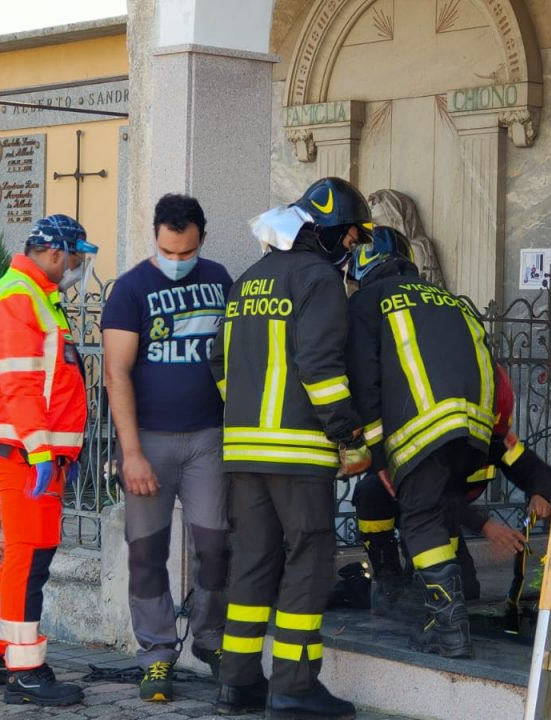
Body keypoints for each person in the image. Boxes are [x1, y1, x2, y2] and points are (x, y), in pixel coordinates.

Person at [209, 177, 372, 720]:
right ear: (327, 233)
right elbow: (322, 369)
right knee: (309, 561)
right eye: (350, 238)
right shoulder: (318, 280)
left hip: (244, 452)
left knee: (252, 561)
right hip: (298, 454)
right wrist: (349, 436)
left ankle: (237, 682)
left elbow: (219, 362)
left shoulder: (247, 281)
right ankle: (295, 687)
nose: (352, 249)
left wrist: (248, 417)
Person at [101, 194, 233, 703]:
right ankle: (156, 656)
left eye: (186, 252)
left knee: (216, 548)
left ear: (201, 239)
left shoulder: (220, 280)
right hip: (150, 441)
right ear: (154, 237)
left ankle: (210, 640)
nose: (177, 262)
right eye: (167, 252)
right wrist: (131, 453)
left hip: (208, 439)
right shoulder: (130, 289)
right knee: (148, 552)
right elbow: (116, 374)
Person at [344, 226, 496, 659]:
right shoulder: (452, 301)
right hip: (472, 432)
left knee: (420, 518)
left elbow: (365, 380)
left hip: (421, 430)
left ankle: (449, 627)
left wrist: (377, 454)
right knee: (437, 513)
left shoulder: (367, 303)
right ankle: (443, 608)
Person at [0, 214, 96, 706]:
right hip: (21, 451)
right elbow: (19, 387)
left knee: (23, 554)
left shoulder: (32, 294)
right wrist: (43, 451)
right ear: (58, 252)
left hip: (24, 448)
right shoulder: (21, 298)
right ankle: (25, 672)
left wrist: (59, 448)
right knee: (30, 557)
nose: (78, 266)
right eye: (78, 256)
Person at [357, 361, 551, 615]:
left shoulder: (495, 438)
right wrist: (485, 525)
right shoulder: (440, 438)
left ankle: (416, 578)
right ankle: (388, 580)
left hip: (443, 516)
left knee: (465, 592)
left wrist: (539, 493)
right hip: (410, 506)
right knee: (371, 490)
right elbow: (435, 494)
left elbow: (534, 469)